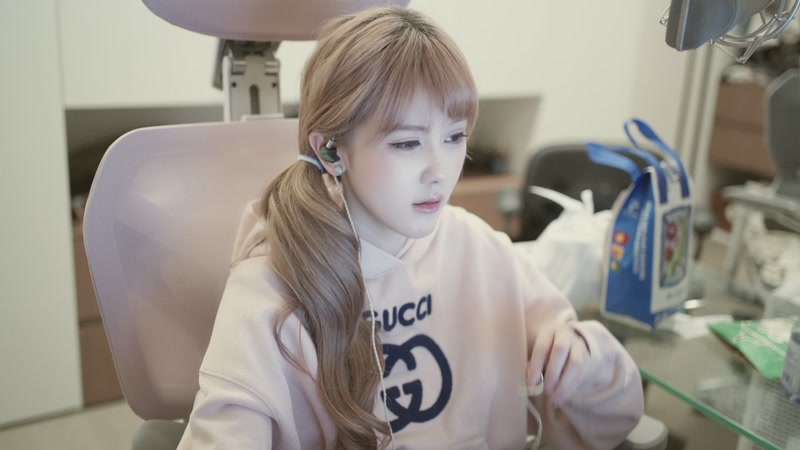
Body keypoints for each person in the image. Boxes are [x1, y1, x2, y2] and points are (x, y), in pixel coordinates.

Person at [177, 5, 644, 450]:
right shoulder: (271, 290)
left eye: (454, 137)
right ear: (331, 151)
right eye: (407, 143)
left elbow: (614, 418)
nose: (439, 171)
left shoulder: (476, 247)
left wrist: (583, 364)